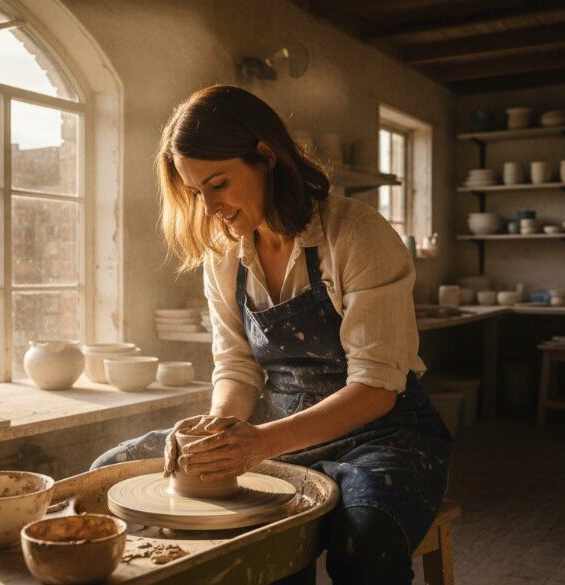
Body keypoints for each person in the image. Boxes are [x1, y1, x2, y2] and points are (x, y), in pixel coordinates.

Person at [91, 85, 452, 585]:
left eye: (219, 184)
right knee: (110, 470)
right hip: (275, 428)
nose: (210, 207)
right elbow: (237, 367)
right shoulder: (224, 255)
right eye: (197, 193)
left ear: (266, 155)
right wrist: (219, 428)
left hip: (380, 436)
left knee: (363, 545)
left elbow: (375, 390)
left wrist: (257, 444)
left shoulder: (356, 233)